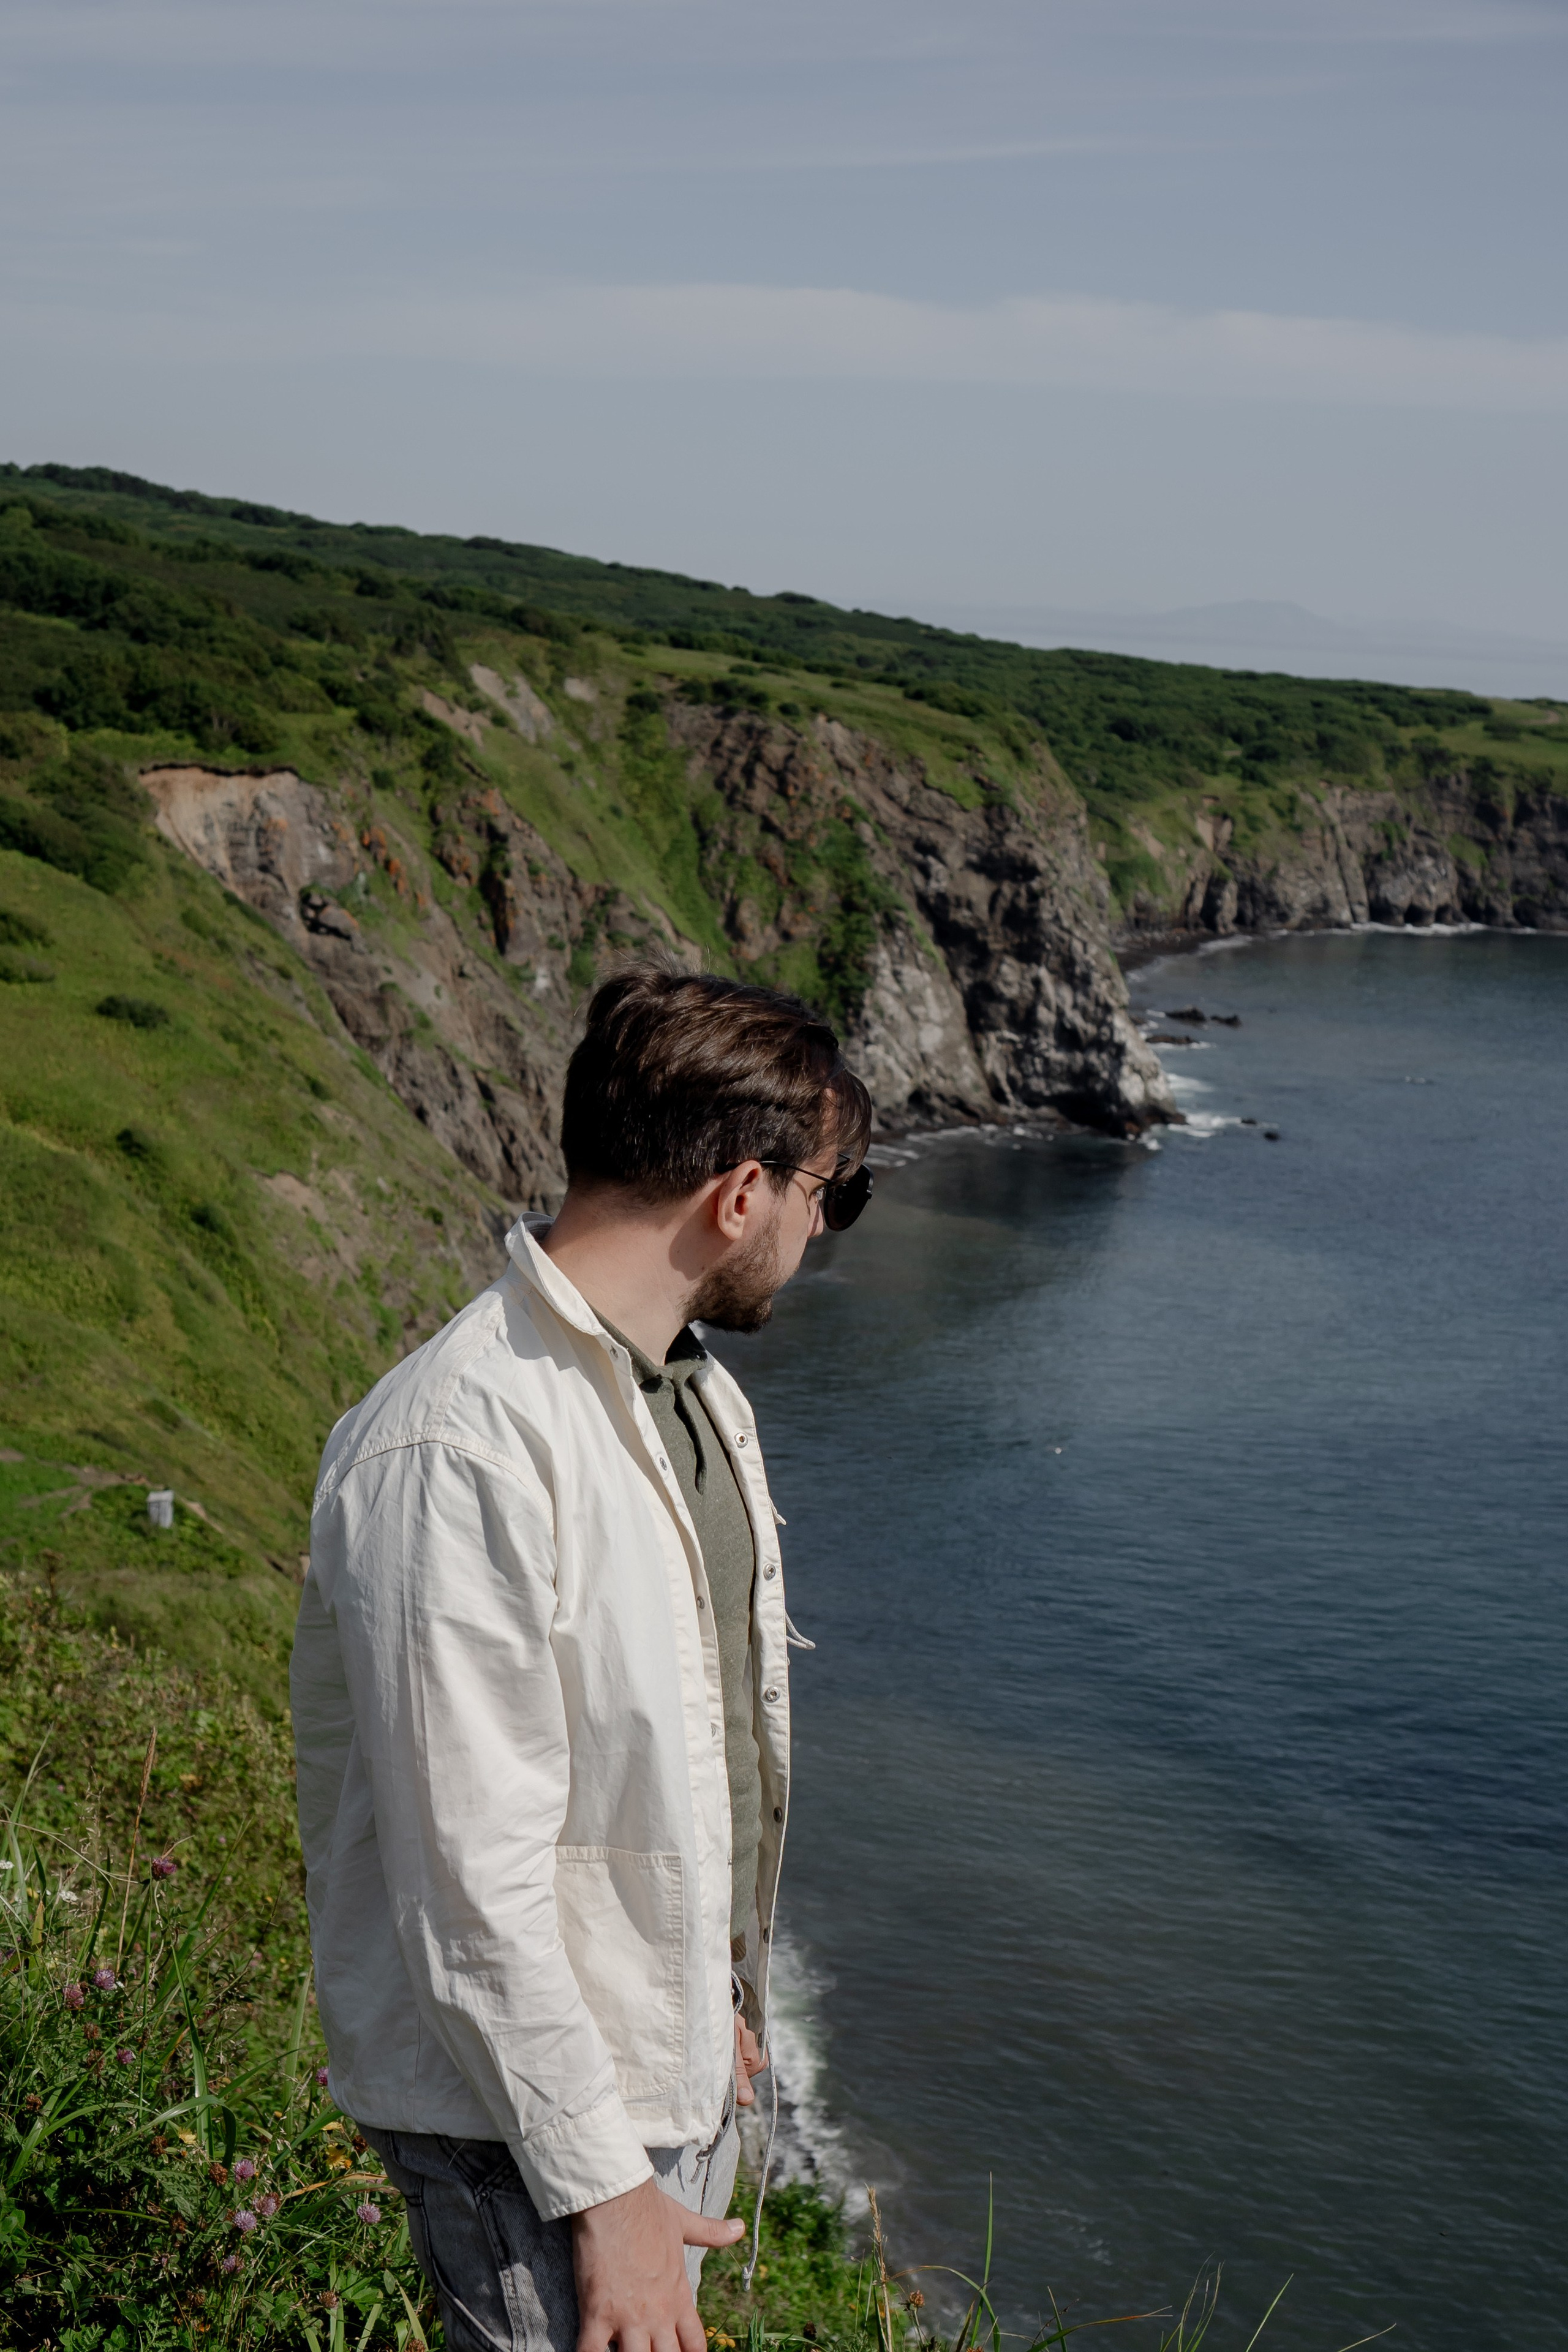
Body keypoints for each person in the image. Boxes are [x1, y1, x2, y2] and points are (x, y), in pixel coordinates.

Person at [291, 960, 873, 2352]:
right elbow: (467, 1886)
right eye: (829, 1197)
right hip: (531, 2136)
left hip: (646, 2084)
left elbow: (674, 1747)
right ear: (741, 1194)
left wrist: (713, 1992)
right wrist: (603, 2190)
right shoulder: (457, 1448)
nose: (821, 1231)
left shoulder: (685, 1399)